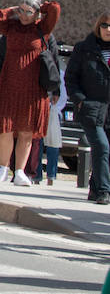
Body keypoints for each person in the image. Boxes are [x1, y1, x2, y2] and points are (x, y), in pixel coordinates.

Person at [0, 0, 61, 186]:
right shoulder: (11, 27)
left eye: (28, 12)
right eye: (21, 10)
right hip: (9, 85)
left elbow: (55, 9)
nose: (24, 15)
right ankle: (3, 167)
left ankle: (19, 171)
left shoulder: (42, 29)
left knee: (27, 131)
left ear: (36, 14)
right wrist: (11, 10)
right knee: (6, 127)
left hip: (33, 89)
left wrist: (40, 7)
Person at [65, 11, 110, 204]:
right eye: (105, 25)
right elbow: (71, 78)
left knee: (107, 150)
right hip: (91, 108)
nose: (109, 30)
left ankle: (94, 188)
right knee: (101, 147)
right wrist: (80, 100)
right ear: (98, 27)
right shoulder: (84, 49)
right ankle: (103, 191)